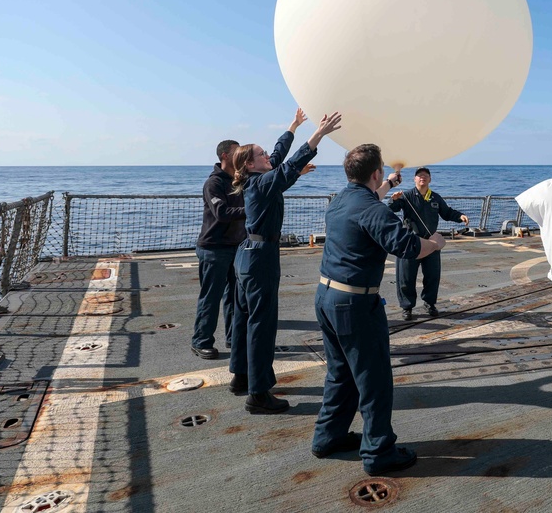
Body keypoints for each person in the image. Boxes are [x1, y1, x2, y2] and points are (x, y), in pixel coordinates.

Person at [312, 144, 446, 476]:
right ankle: (378, 452)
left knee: (340, 374)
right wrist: (436, 243)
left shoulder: (341, 200)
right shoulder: (374, 211)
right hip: (355, 305)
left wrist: (387, 184)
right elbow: (409, 247)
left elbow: (369, 201)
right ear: (374, 173)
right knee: (374, 381)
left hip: (326, 297)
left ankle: (328, 437)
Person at [228, 108, 341, 414]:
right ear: (251, 163)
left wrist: (292, 126)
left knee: (243, 319)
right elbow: (289, 165)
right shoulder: (262, 183)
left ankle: (240, 377)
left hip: (246, 256)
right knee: (262, 325)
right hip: (260, 259)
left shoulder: (257, 177)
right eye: (262, 154)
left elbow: (280, 157)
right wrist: (318, 134)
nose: (268, 156)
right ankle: (259, 394)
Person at [389, 167, 469, 320]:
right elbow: (391, 209)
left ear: (430, 179)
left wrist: (460, 216)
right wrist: (393, 199)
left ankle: (429, 303)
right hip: (411, 242)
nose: (422, 178)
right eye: (419, 176)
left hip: (431, 242)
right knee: (405, 278)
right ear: (414, 179)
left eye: (425, 176)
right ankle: (407, 307)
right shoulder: (405, 196)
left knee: (432, 276)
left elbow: (447, 212)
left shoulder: (435, 198)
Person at [191, 140, 244, 360]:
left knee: (235, 296)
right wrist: (252, 209)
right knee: (211, 297)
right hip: (214, 247)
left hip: (235, 246)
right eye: (236, 153)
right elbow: (221, 212)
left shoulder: (240, 180)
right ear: (224, 156)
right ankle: (201, 341)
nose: (241, 156)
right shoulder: (213, 183)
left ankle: (234, 338)